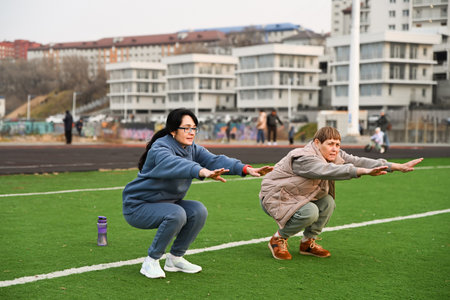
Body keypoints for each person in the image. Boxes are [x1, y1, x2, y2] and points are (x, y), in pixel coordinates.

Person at [122, 108, 273, 279]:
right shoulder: (160, 148)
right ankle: (151, 261)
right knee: (176, 214)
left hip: (166, 203)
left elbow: (215, 160)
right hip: (138, 206)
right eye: (186, 128)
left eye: (194, 128)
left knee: (198, 211)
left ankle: (174, 259)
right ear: (173, 130)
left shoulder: (191, 148)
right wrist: (201, 171)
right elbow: (174, 164)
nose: (191, 132)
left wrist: (246, 169)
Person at [259, 126, 423, 260]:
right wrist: (362, 172)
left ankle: (307, 243)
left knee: (328, 202)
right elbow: (326, 170)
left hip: (297, 196)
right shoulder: (303, 157)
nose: (335, 149)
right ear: (317, 143)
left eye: (338, 145)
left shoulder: (334, 154)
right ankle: (278, 238)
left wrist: (395, 166)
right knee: (311, 211)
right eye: (330, 144)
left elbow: (358, 161)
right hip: (275, 198)